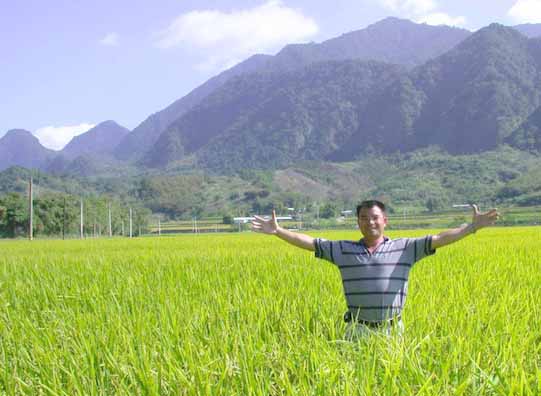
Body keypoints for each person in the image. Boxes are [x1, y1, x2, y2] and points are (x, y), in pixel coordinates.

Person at [251, 200, 499, 339]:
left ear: (384, 221)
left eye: (374, 217)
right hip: (357, 330)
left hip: (392, 330)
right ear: (357, 222)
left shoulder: (406, 248)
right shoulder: (343, 250)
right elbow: (310, 242)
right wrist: (278, 231)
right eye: (363, 218)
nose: (369, 222)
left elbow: (440, 238)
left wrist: (471, 227)